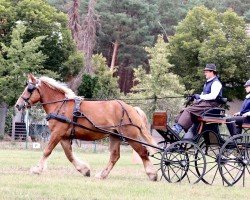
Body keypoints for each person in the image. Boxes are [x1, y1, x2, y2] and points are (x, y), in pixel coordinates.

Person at [172, 63, 223, 137]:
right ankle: (177, 127)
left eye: (206, 71)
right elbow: (203, 95)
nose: (205, 73)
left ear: (212, 72)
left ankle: (177, 129)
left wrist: (199, 96)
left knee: (188, 110)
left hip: (211, 105)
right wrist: (194, 97)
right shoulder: (207, 83)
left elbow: (213, 96)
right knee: (185, 109)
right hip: (205, 104)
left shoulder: (216, 83)